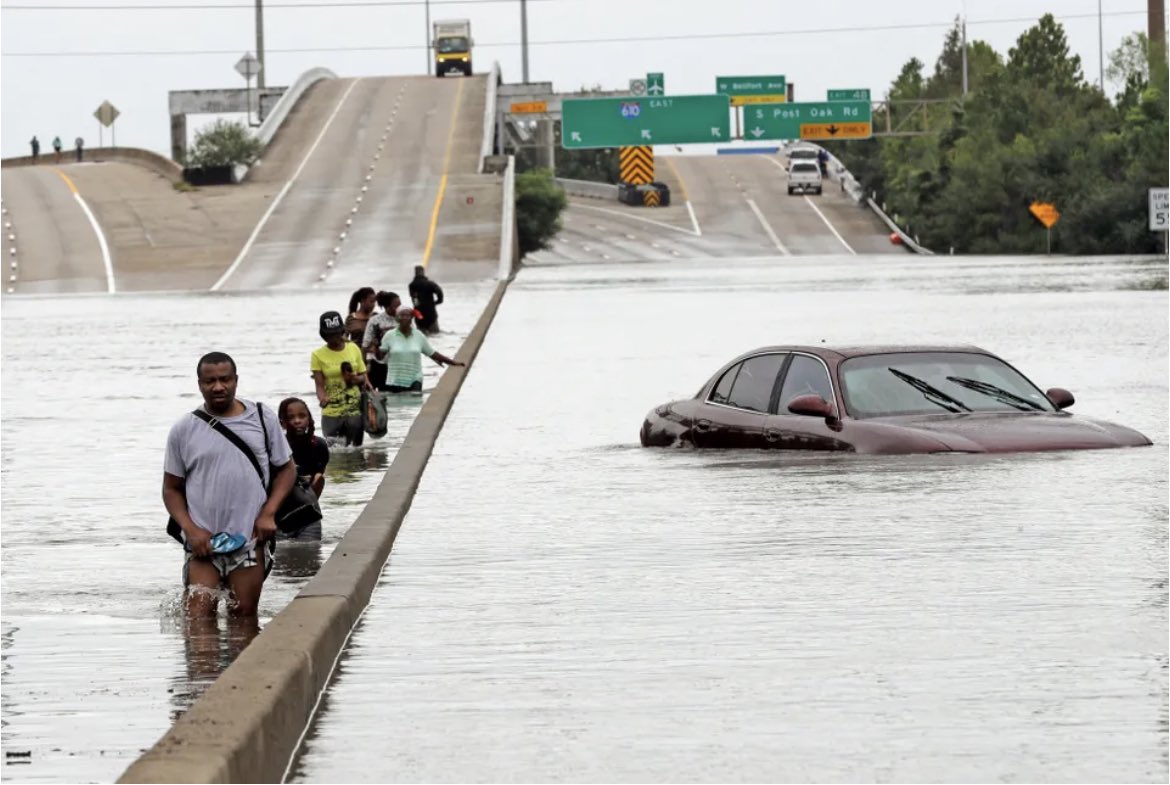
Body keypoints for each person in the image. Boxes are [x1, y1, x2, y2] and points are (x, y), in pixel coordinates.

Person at [162, 351, 295, 619]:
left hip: (249, 541)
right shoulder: (184, 429)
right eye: (209, 381)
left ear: (236, 380)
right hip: (202, 545)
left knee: (244, 618)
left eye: (225, 379)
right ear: (199, 384)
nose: (218, 387)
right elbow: (171, 488)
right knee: (198, 619)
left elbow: (287, 470)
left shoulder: (261, 418)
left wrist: (269, 513)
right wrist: (191, 529)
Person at [311, 310, 371, 446]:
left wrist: (356, 379)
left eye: (337, 333)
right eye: (330, 335)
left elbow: (364, 377)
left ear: (342, 331)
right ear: (324, 335)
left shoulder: (353, 348)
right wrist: (322, 398)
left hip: (354, 412)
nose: (334, 338)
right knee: (334, 454)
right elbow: (319, 385)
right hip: (331, 413)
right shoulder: (317, 355)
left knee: (356, 452)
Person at [379, 304, 464, 393]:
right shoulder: (389, 335)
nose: (404, 318)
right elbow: (380, 356)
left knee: (414, 403)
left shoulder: (419, 335)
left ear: (411, 318)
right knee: (397, 405)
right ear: (397, 318)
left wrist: (452, 362)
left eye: (407, 315)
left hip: (415, 379)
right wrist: (376, 347)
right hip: (395, 380)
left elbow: (432, 353)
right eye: (401, 315)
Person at [277, 397, 329, 541]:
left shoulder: (319, 445)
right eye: (291, 417)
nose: (297, 421)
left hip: (309, 511)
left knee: (310, 552)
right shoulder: (276, 448)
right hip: (281, 514)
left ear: (309, 418)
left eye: (302, 416)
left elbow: (318, 482)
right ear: (282, 422)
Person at [362, 290, 401, 391]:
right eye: (395, 306)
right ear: (387, 307)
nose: (399, 309)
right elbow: (365, 345)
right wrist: (363, 367)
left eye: (400, 305)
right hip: (379, 365)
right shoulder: (375, 321)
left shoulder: (405, 319)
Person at [408, 265, 444, 335]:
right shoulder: (429, 284)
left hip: (419, 314)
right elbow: (439, 291)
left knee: (422, 335)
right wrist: (438, 301)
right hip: (431, 313)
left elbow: (414, 298)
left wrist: (417, 306)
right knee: (435, 334)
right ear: (423, 272)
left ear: (415, 272)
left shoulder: (412, 285)